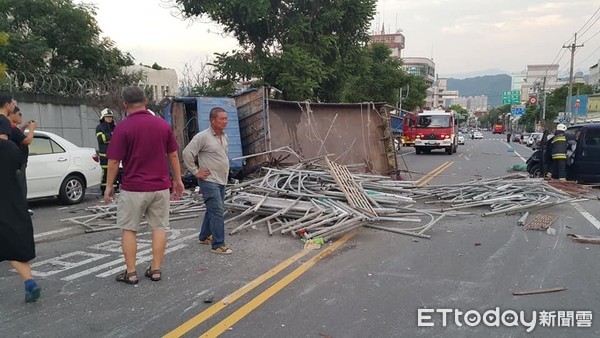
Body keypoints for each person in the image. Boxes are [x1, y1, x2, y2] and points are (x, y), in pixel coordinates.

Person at [104, 86, 184, 284]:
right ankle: (155, 269)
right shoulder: (162, 125)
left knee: (129, 229)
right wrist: (178, 180)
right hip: (159, 187)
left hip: (133, 188)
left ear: (125, 105)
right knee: (159, 228)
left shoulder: (122, 127)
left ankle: (131, 273)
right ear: (146, 101)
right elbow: (173, 154)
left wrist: (108, 187)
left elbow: (113, 161)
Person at [0, 119, 41, 303]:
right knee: (14, 248)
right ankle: (29, 281)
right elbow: (19, 168)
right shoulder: (11, 148)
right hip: (12, 202)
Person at [183, 107, 233, 255]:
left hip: (221, 179)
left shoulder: (224, 136)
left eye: (226, 118)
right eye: (222, 119)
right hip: (209, 180)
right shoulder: (202, 137)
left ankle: (204, 236)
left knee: (213, 209)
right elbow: (187, 153)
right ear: (212, 120)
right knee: (217, 210)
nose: (225, 121)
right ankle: (218, 244)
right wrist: (196, 171)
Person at [7, 106, 37, 215]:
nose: (21, 117)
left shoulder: (11, 129)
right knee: (20, 187)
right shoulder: (11, 128)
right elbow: (27, 140)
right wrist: (32, 129)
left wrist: (24, 126)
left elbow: (18, 136)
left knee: (19, 186)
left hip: (17, 163)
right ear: (12, 114)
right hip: (17, 164)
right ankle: (21, 210)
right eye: (19, 114)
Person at [96, 108, 117, 194]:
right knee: (105, 172)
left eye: (110, 117)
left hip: (114, 154)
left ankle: (114, 188)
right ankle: (104, 190)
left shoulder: (115, 127)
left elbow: (118, 139)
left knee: (115, 172)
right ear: (103, 118)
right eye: (107, 117)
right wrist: (112, 135)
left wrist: (109, 137)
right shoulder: (99, 127)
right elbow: (101, 139)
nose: (109, 118)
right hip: (104, 155)